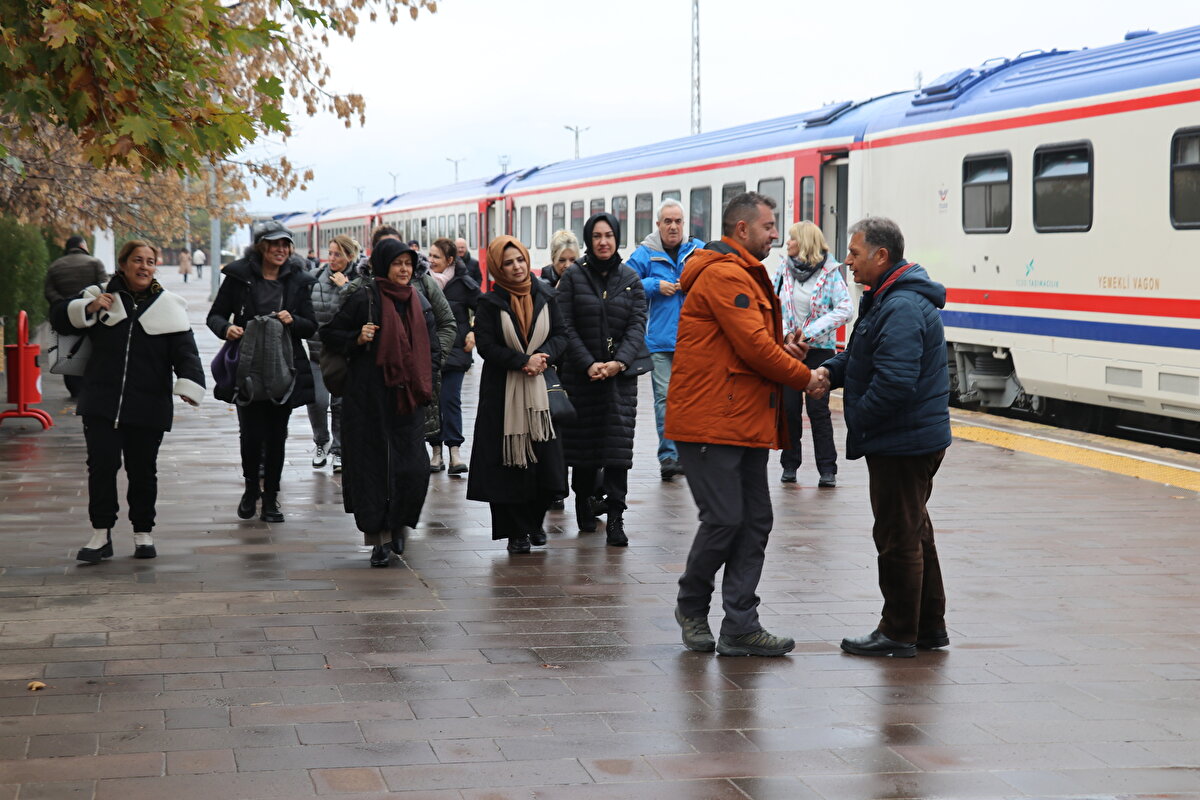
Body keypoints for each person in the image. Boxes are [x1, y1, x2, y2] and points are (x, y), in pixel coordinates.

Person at [666, 191, 823, 657]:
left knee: (754, 520)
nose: (777, 235)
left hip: (743, 417)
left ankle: (740, 625)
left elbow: (752, 345)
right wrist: (805, 375)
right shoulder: (723, 274)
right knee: (724, 519)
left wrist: (785, 351)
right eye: (770, 226)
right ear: (742, 229)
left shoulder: (745, 274)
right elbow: (753, 348)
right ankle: (692, 607)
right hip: (711, 422)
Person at [811, 217, 952, 659]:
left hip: (902, 441)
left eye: (854, 253)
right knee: (914, 531)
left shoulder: (902, 306)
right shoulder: (886, 298)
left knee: (896, 538)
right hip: (908, 437)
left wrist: (860, 420)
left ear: (881, 256)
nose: (847, 262)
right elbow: (860, 356)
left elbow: (894, 381)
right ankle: (928, 628)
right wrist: (828, 373)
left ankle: (898, 632)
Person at [49, 240, 205, 563]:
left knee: (143, 470)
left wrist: (189, 385)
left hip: (148, 404)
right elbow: (58, 317)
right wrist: (87, 309)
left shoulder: (170, 306)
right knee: (101, 467)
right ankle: (101, 533)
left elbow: (187, 353)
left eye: (150, 261)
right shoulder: (99, 296)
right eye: (137, 260)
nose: (144, 267)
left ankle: (143, 533)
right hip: (101, 401)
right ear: (123, 264)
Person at [321, 239, 438, 566]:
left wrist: (428, 384)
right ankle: (379, 540)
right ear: (384, 265)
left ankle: (400, 524)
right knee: (374, 470)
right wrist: (357, 338)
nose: (404, 270)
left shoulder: (418, 300)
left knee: (413, 468)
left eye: (408, 263)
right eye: (398, 263)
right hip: (368, 400)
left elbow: (433, 347)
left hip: (408, 400)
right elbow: (329, 334)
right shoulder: (364, 296)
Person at [206, 221, 317, 524]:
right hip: (248, 364)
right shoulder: (239, 277)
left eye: (285, 244)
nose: (280, 250)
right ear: (261, 246)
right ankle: (251, 489)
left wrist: (293, 320)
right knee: (251, 433)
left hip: (284, 365)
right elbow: (214, 315)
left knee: (277, 433)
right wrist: (227, 328)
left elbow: (311, 325)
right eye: (273, 244)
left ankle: (271, 499)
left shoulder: (298, 280)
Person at [466, 236, 568, 554]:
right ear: (498, 267)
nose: (517, 267)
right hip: (503, 396)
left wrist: (543, 357)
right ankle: (516, 532)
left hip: (539, 393)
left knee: (544, 462)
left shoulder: (546, 295)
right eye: (508, 263)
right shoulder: (489, 303)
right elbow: (487, 345)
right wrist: (523, 361)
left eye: (520, 260)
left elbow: (561, 335)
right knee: (509, 465)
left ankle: (534, 523)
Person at [556, 212, 647, 546]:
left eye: (609, 235)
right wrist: (588, 363)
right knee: (583, 449)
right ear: (588, 240)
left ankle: (616, 518)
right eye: (597, 236)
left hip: (619, 381)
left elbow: (638, 325)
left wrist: (619, 363)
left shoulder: (631, 279)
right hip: (582, 379)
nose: (603, 242)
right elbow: (564, 325)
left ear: (617, 237)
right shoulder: (572, 278)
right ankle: (583, 502)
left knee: (616, 451)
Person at [627, 199, 704, 481]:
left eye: (678, 221)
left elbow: (716, 278)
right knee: (665, 400)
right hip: (660, 342)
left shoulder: (698, 250)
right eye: (667, 221)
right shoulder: (646, 253)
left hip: (695, 340)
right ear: (658, 225)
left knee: (693, 399)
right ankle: (669, 456)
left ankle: (692, 452)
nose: (673, 226)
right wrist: (654, 286)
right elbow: (626, 283)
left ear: (684, 224)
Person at [773, 221, 852, 487]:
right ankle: (790, 464)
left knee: (819, 410)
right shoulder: (784, 269)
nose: (787, 243)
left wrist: (810, 332)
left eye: (792, 239)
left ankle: (827, 469)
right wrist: (786, 333)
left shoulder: (830, 273)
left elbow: (845, 308)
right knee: (789, 409)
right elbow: (773, 306)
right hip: (790, 349)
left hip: (819, 351)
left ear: (805, 242)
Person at [368, 226, 457, 455]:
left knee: (410, 456)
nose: (402, 266)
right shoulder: (363, 291)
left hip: (414, 387)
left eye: (404, 258)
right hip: (375, 390)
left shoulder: (423, 285)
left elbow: (447, 323)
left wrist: (431, 363)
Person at [427, 237, 480, 475]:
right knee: (432, 401)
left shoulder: (464, 283)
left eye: (436, 257)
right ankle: (436, 451)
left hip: (457, 351)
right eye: (430, 256)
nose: (431, 261)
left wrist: (474, 332)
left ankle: (455, 451)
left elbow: (485, 308)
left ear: (449, 260)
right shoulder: (423, 281)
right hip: (429, 351)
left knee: (450, 399)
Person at [307, 234, 357, 473]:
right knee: (317, 401)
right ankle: (321, 440)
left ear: (350, 256)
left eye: (338, 254)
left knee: (340, 404)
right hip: (317, 352)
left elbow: (361, 307)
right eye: (331, 253)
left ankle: (339, 449)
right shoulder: (315, 277)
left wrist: (345, 287)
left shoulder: (357, 279)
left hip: (344, 354)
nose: (333, 258)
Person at [44, 235, 107, 398]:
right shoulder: (95, 263)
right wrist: (87, 302)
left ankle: (74, 389)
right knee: (93, 348)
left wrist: (64, 305)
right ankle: (92, 384)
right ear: (82, 246)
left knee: (69, 351)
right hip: (91, 314)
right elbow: (104, 287)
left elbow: (49, 291)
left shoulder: (55, 266)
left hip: (66, 317)